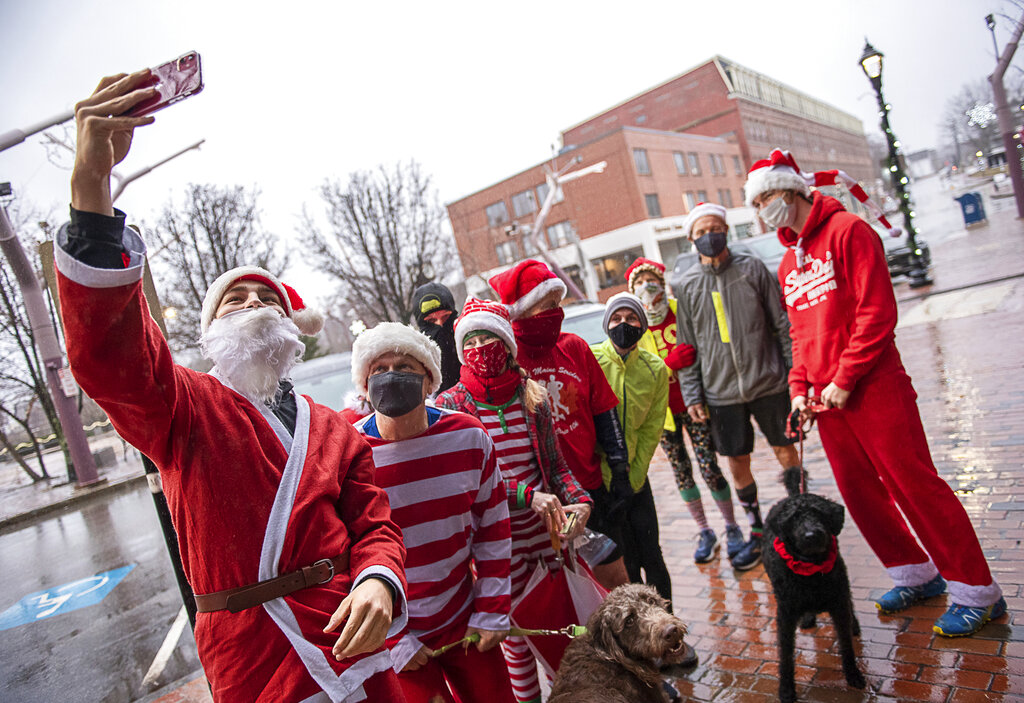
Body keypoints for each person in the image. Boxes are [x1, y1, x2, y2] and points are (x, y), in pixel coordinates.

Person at [56, 71, 407, 701]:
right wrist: (91, 196)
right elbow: (113, 358)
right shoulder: (182, 407)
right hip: (254, 657)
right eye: (233, 302)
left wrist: (379, 579)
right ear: (210, 332)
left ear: (288, 327)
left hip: (349, 641)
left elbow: (373, 522)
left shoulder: (332, 429)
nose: (251, 306)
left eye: (265, 300)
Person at [745, 148, 1006, 637]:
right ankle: (914, 573)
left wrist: (844, 378)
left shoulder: (849, 232)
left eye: (764, 201)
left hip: (874, 389)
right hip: (828, 403)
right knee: (861, 497)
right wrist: (800, 390)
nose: (762, 213)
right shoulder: (787, 263)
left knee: (915, 487)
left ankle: (977, 591)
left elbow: (877, 312)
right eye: (756, 205)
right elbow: (801, 336)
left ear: (789, 191)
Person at [435, 298, 594, 703]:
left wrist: (580, 501)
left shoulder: (531, 394)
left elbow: (555, 468)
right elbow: (466, 483)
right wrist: (527, 496)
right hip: (494, 546)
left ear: (506, 345)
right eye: (471, 340)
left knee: (559, 637)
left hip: (545, 539)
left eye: (489, 337)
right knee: (516, 643)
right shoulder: (450, 407)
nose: (481, 347)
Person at [351, 322, 516, 702]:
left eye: (406, 367)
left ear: (429, 381)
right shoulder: (351, 454)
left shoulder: (470, 437)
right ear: (364, 385)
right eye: (380, 369)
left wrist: (492, 609)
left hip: (464, 619)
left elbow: (493, 527)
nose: (393, 376)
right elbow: (346, 553)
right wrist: (392, 639)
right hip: (394, 636)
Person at [488, 260, 633, 591]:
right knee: (569, 591)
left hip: (589, 490)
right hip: (540, 503)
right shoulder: (508, 361)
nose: (555, 312)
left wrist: (619, 466)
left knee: (616, 583)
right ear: (521, 312)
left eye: (558, 304)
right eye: (546, 306)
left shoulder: (575, 347)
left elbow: (604, 413)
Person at [674, 202, 803, 571]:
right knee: (737, 461)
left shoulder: (752, 269)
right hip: (720, 393)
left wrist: (795, 378)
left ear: (727, 231)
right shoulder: (686, 287)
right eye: (701, 232)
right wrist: (693, 395)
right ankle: (758, 531)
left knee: (786, 451)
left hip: (770, 383)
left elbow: (782, 326)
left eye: (715, 229)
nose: (709, 237)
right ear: (690, 239)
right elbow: (685, 350)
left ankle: (797, 521)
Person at [625, 257, 744, 565]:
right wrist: (667, 366)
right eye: (639, 283)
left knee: (710, 468)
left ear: (662, 284)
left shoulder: (681, 311)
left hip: (695, 406)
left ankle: (732, 527)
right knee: (682, 474)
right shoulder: (635, 324)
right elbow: (638, 375)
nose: (646, 287)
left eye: (651, 280)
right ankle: (705, 530)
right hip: (662, 416)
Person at [590, 293, 672, 600]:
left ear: (643, 325)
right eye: (616, 318)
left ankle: (669, 625)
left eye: (631, 318)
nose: (624, 324)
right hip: (601, 483)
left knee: (653, 555)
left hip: (635, 480)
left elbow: (652, 429)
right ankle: (641, 635)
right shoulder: (592, 360)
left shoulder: (656, 369)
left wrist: (633, 480)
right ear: (606, 324)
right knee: (626, 563)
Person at [411, 281, 461, 394]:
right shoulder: (416, 360)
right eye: (431, 321)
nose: (440, 325)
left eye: (446, 317)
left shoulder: (471, 343)